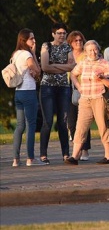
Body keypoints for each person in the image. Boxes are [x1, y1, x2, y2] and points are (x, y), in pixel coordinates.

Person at [65, 40, 109, 165]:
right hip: (85, 99)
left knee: (103, 126)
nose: (93, 52)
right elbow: (73, 74)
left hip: (100, 98)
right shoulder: (83, 63)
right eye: (89, 50)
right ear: (86, 52)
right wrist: (78, 86)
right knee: (80, 127)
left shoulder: (105, 64)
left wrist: (102, 78)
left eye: (95, 49)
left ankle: (108, 157)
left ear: (98, 49)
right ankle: (74, 156)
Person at [39, 22, 74, 164]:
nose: (62, 35)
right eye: (59, 33)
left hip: (63, 87)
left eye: (64, 33)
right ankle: (43, 154)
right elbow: (45, 67)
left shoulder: (68, 47)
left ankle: (65, 153)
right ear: (53, 34)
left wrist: (55, 66)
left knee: (63, 121)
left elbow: (72, 65)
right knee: (47, 121)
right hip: (47, 86)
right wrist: (63, 67)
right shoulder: (46, 45)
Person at [11, 29, 44, 167]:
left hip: (18, 92)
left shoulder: (15, 54)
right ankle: (31, 158)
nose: (34, 41)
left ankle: (15, 159)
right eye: (31, 38)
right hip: (29, 92)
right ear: (24, 41)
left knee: (20, 126)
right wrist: (34, 54)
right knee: (31, 125)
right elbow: (37, 70)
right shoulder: (26, 54)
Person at [66, 31, 91, 161]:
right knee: (71, 121)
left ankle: (85, 149)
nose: (79, 42)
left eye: (80, 40)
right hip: (69, 88)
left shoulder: (86, 55)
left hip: (84, 87)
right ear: (71, 42)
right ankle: (76, 148)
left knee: (85, 119)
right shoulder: (68, 55)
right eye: (76, 40)